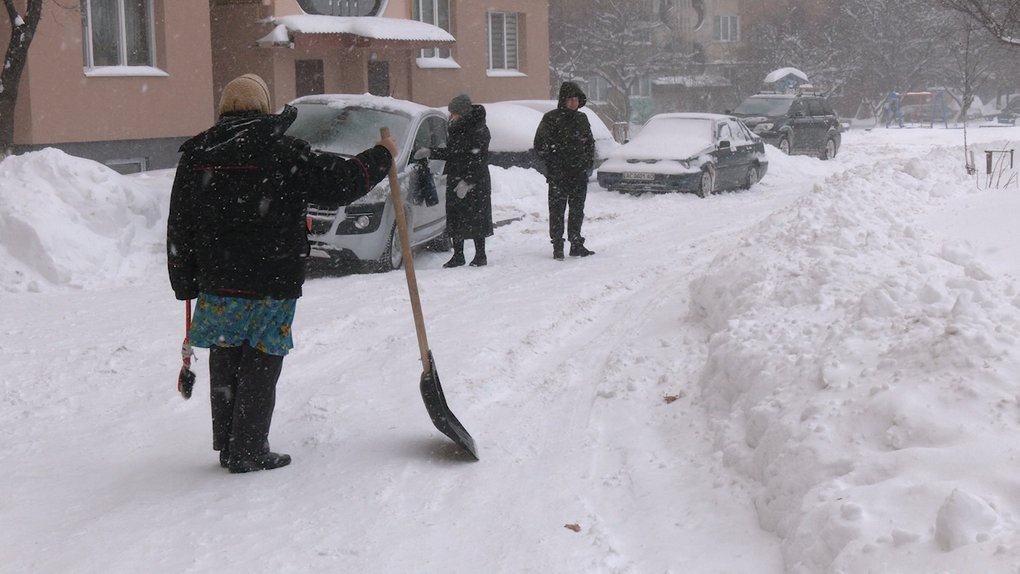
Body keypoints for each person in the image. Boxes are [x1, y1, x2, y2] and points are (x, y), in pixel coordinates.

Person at [166, 74, 396, 474]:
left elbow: (179, 224)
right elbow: (339, 183)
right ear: (264, 107)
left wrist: (183, 279)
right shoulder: (283, 152)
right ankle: (249, 448)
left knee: (226, 355)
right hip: (271, 279)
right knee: (261, 358)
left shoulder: (197, 154)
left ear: (223, 110)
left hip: (219, 279)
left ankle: (229, 443)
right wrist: (381, 155)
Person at [427, 94, 494, 267]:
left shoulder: (479, 129)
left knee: (477, 217)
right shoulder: (456, 129)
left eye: (453, 113)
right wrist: (430, 152)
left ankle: (480, 255)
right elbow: (452, 153)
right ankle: (458, 255)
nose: (450, 117)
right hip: (456, 176)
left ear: (463, 113)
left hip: (475, 181)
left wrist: (469, 181)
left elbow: (480, 158)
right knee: (456, 217)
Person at [534, 81, 596, 260]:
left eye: (576, 100)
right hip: (558, 175)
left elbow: (590, 144)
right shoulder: (551, 118)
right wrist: (553, 163)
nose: (574, 103)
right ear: (563, 100)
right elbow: (540, 145)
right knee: (557, 210)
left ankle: (576, 243)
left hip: (578, 174)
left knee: (577, 209)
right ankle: (558, 245)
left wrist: (586, 164)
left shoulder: (582, 119)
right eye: (570, 100)